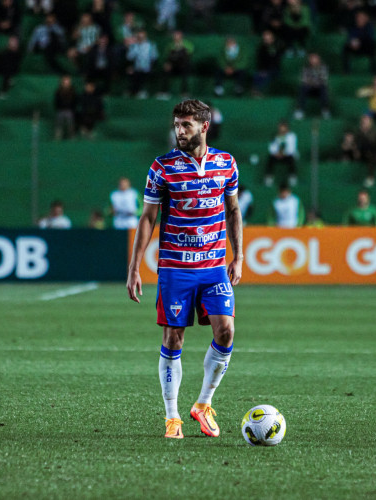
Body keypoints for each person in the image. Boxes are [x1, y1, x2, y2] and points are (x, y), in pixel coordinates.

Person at [126, 99, 243, 440]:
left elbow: (233, 210)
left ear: (204, 127)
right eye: (177, 124)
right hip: (176, 269)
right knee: (173, 338)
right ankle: (172, 416)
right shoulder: (162, 167)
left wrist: (239, 256)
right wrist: (135, 267)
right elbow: (148, 218)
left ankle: (203, 404)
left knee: (226, 332)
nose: (180, 131)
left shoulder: (226, 163)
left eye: (187, 125)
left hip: (213, 267)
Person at [293, 52, 330, 120]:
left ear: (319, 59)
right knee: (303, 87)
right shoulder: (305, 68)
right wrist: (314, 82)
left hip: (319, 89)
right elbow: (304, 79)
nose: (313, 60)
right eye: (312, 58)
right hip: (309, 89)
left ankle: (325, 110)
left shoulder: (323, 67)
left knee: (323, 87)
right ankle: (300, 110)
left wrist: (313, 82)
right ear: (309, 60)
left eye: (315, 58)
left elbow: (324, 79)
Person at [159, 30, 193, 99]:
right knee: (166, 70)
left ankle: (185, 93)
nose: (176, 37)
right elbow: (166, 56)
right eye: (175, 36)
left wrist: (180, 48)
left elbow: (189, 53)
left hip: (183, 66)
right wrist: (167, 64)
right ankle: (164, 92)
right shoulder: (170, 45)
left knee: (185, 71)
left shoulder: (187, 44)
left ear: (181, 36)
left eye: (178, 35)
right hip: (173, 66)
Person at [265, 121, 299, 188]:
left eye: (284, 128)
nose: (282, 130)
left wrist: (283, 153)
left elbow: (292, 149)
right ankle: (269, 178)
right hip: (277, 156)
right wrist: (277, 153)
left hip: (288, 155)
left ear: (287, 128)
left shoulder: (291, 136)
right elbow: (271, 148)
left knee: (291, 159)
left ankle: (292, 177)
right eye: (280, 128)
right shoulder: (275, 136)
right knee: (270, 158)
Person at [126, 30, 158, 99]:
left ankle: (141, 91)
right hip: (136, 69)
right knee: (133, 72)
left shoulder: (151, 45)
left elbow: (154, 57)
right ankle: (132, 92)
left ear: (145, 37)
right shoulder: (135, 46)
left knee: (143, 74)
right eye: (139, 37)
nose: (140, 39)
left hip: (147, 68)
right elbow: (129, 57)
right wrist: (134, 47)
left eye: (142, 37)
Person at [354, 114, 376, 186]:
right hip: (360, 153)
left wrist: (365, 133)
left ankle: (370, 177)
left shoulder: (374, 131)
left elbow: (373, 142)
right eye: (364, 121)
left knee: (371, 156)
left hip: (370, 153)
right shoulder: (358, 131)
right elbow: (356, 142)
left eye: (367, 121)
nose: (365, 123)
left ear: (370, 122)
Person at [53, 75, 77, 140]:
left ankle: (72, 137)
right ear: (62, 83)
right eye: (65, 82)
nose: (66, 84)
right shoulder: (58, 91)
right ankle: (58, 137)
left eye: (68, 82)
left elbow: (74, 101)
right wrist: (59, 108)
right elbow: (56, 102)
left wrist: (71, 109)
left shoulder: (73, 92)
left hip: (69, 110)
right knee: (59, 123)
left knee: (70, 123)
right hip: (60, 110)